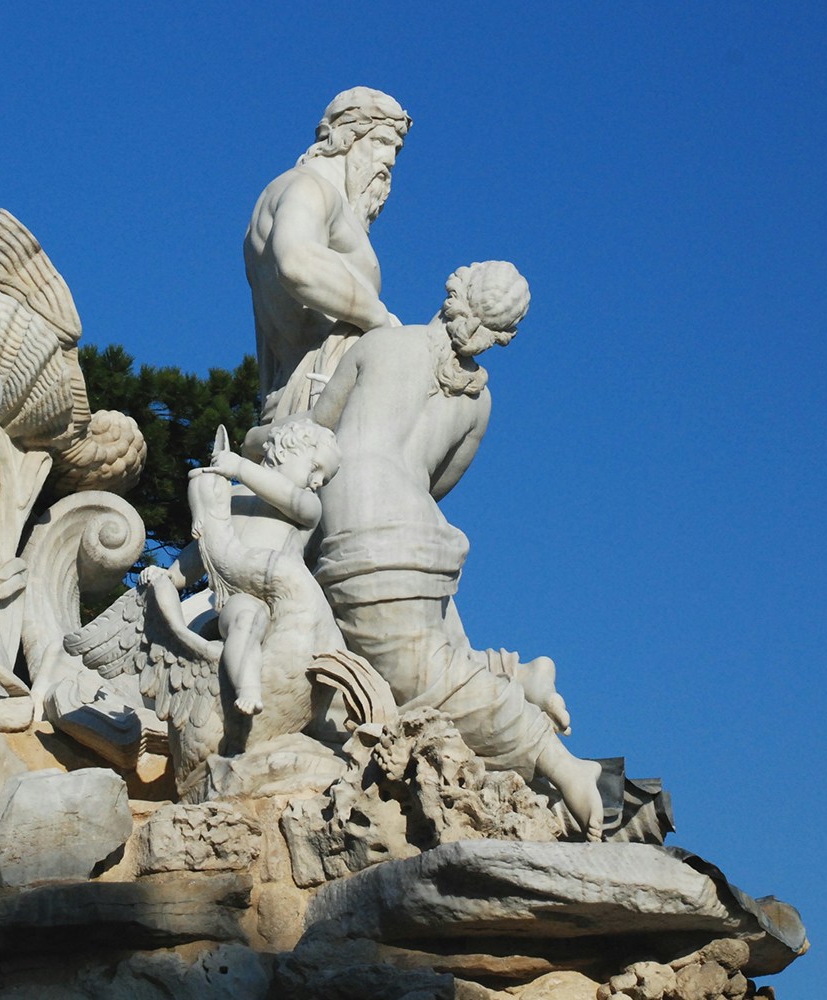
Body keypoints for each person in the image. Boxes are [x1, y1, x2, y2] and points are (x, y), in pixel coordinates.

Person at [247, 261, 605, 839]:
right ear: (503, 336)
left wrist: (255, 440)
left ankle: (559, 762)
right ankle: (516, 676)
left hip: (364, 530)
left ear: (452, 292)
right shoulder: (478, 403)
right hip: (419, 529)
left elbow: (315, 432)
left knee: (423, 680)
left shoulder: (380, 345)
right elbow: (437, 484)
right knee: (430, 654)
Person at [245, 87, 411, 422]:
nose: (390, 160)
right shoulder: (309, 188)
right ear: (343, 137)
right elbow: (297, 263)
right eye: (380, 141)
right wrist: (380, 321)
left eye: (396, 149)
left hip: (303, 389)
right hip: (320, 388)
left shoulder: (316, 197)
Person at [169, 423, 341, 714]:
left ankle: (249, 689)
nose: (316, 482)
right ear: (284, 451)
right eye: (315, 469)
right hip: (231, 596)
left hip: (275, 601)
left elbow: (289, 497)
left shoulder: (307, 505)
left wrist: (239, 466)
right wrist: (172, 576)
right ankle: (242, 689)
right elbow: (205, 544)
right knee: (241, 618)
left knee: (251, 618)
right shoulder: (233, 496)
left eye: (324, 480)